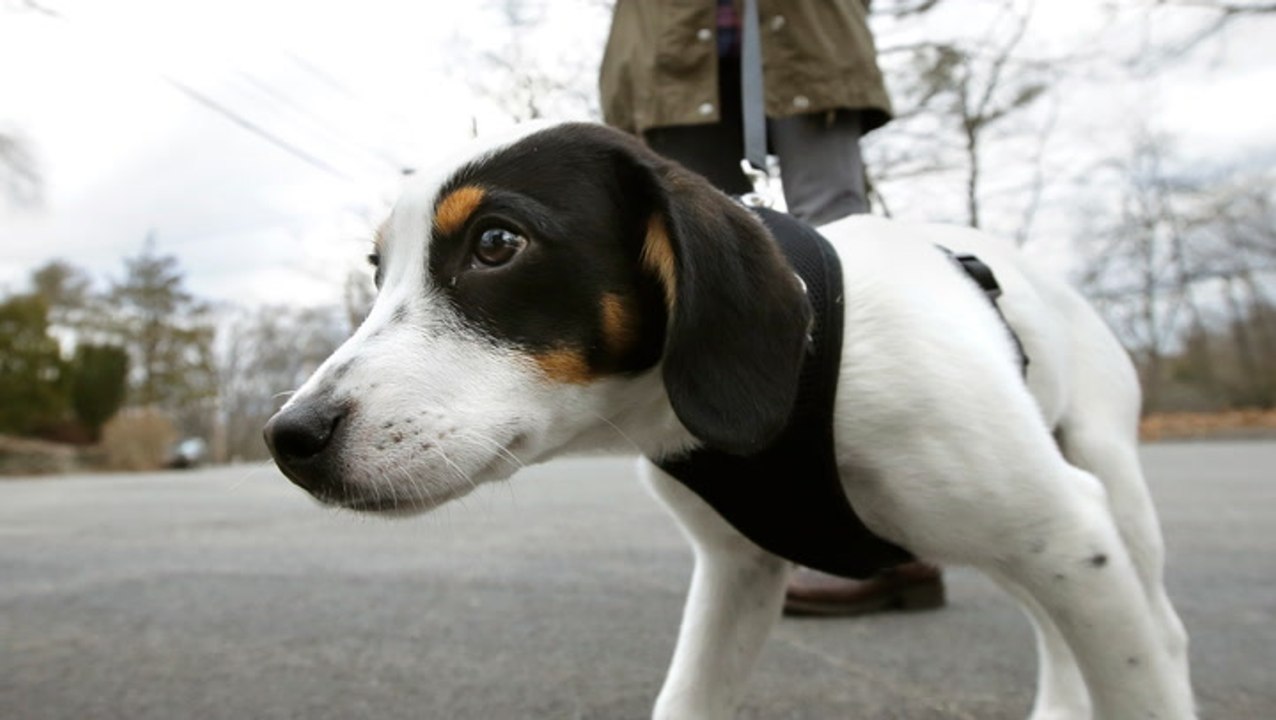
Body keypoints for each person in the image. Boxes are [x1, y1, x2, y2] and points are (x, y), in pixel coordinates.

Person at [599, 0, 945, 616]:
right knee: (703, 263)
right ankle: (751, 531)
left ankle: (891, 537)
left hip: (807, 28)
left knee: (845, 246)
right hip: (666, 45)